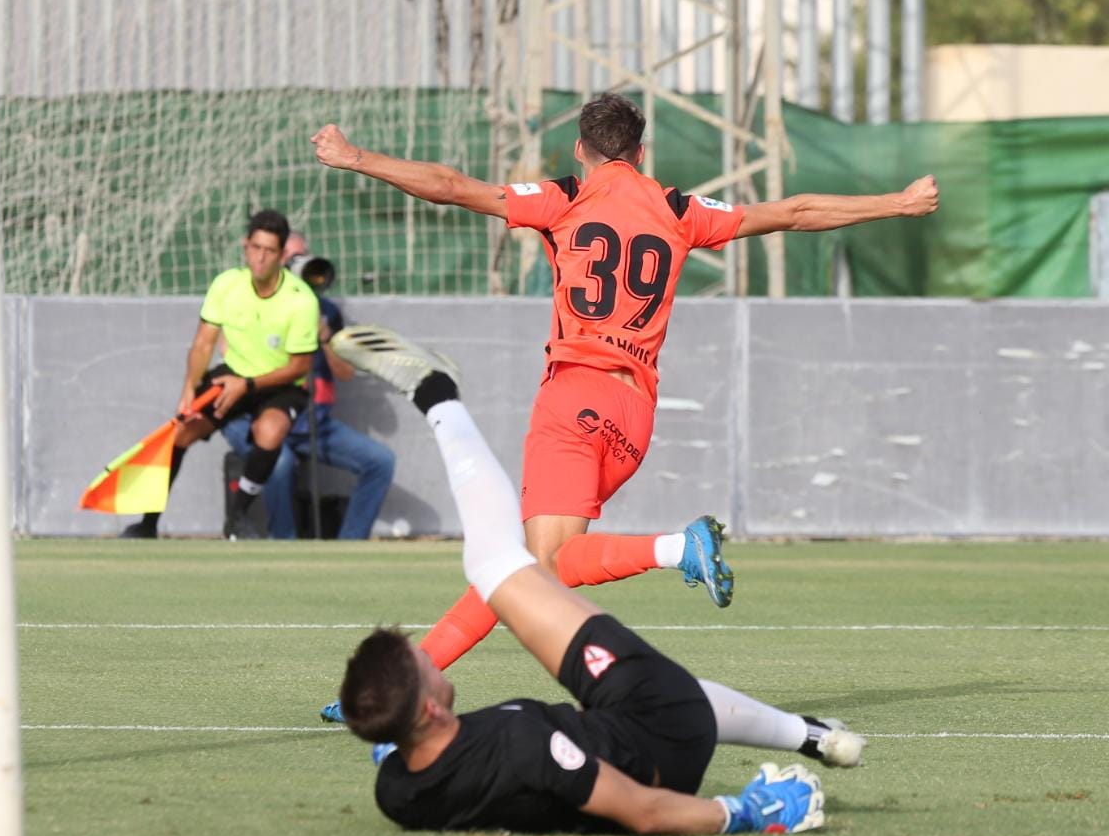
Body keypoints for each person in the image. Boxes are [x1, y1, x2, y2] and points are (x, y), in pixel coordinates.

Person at [312, 94, 940, 681]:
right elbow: (795, 213)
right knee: (522, 567)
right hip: (634, 415)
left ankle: (676, 548)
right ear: (640, 152)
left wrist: (355, 157)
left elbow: (451, 188)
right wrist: (898, 203)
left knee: (541, 565)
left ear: (579, 150)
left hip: (574, 397)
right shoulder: (679, 210)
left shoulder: (563, 199)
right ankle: (412, 677)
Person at [332, 326, 862, 835]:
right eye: (423, 664)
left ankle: (814, 736)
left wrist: (388, 722)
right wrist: (745, 812)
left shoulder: (399, 791)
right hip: (663, 742)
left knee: (528, 577)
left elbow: (416, 756)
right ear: (428, 708)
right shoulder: (525, 748)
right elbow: (642, 812)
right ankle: (437, 396)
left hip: (627, 729)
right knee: (501, 563)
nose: (430, 659)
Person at [121, 209, 320, 540]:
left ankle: (237, 517)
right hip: (233, 375)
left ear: (282, 255)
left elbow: (300, 367)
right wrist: (188, 390)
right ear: (245, 246)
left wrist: (248, 385)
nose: (260, 258)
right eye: (255, 248)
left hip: (279, 382)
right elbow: (203, 344)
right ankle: (148, 523)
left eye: (270, 251)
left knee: (270, 431)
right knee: (181, 432)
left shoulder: (301, 301)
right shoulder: (226, 284)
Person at [221, 232, 396, 539]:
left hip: (312, 422)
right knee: (279, 462)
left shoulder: (325, 310)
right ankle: (284, 546)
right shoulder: (251, 301)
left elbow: (345, 373)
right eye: (291, 257)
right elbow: (229, 353)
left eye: (302, 255)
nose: (298, 263)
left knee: (381, 462)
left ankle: (348, 548)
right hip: (257, 418)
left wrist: (324, 336)